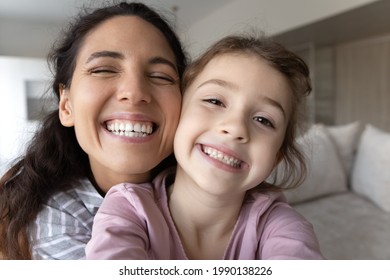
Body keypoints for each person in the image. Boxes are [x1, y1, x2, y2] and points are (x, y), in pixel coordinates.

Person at [85, 34, 324, 260]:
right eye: (215, 101)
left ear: (276, 157)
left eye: (264, 120)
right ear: (178, 113)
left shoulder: (282, 226)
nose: (236, 128)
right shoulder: (128, 209)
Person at [0, 2, 188, 260]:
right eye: (103, 70)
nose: (134, 92)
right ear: (66, 106)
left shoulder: (223, 191)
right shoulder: (55, 220)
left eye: (160, 76)